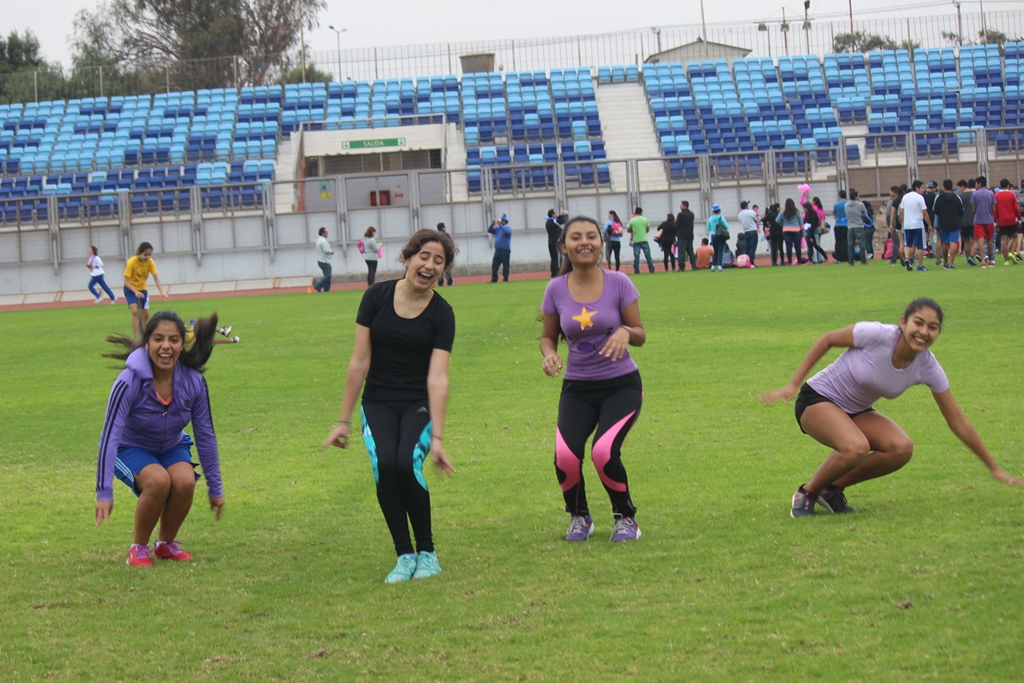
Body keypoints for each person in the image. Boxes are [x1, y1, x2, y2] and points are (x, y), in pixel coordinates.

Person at [761, 298, 1023, 518]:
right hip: (817, 398)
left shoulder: (928, 366)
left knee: (901, 448)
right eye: (918, 323)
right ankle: (807, 493)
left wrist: (994, 467)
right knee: (857, 447)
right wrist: (792, 384)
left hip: (856, 410)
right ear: (903, 322)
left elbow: (958, 422)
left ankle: (831, 490)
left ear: (938, 333)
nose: (924, 331)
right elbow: (828, 340)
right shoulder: (878, 335)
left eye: (932, 327)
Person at [322, 229, 457, 584]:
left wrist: (438, 439)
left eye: (439, 261)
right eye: (424, 257)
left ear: (443, 270)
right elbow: (359, 361)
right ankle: (404, 554)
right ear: (407, 258)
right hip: (378, 402)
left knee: (405, 463)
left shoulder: (442, 314)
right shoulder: (376, 297)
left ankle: (427, 553)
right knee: (385, 465)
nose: (429, 265)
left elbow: (438, 377)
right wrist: (343, 420)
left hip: (419, 404)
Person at [540, 216, 646, 542]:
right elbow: (548, 337)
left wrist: (626, 332)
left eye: (591, 236)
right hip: (577, 388)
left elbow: (640, 334)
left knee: (603, 451)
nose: (584, 242)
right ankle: (579, 516)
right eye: (576, 237)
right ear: (563, 246)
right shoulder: (555, 289)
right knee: (565, 456)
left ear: (601, 243)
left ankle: (626, 518)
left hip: (621, 385)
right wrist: (549, 354)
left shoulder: (619, 282)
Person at [95, 310, 225, 566]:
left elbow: (205, 435)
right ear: (147, 343)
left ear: (181, 345)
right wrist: (104, 492)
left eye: (173, 340)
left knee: (185, 481)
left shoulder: (194, 382)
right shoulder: (128, 382)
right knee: (158, 481)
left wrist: (216, 487)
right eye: (158, 339)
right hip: (129, 447)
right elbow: (110, 435)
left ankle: (165, 544)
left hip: (171, 445)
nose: (166, 346)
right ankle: (138, 548)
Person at [123, 241, 168, 341]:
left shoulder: (150, 262)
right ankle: (136, 338)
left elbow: (156, 278)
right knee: (135, 311)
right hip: (131, 289)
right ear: (139, 253)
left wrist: (162, 291)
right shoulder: (131, 262)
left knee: (146, 314)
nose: (147, 257)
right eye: (145, 255)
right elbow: (126, 282)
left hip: (143, 290)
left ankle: (143, 335)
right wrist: (135, 291)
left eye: (149, 255)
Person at [900, 180, 932, 271]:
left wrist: (903, 222)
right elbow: (924, 212)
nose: (923, 189)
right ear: (916, 188)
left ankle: (907, 258)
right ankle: (920, 265)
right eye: (922, 187)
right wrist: (929, 224)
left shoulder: (905, 197)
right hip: (918, 224)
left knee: (908, 244)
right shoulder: (919, 198)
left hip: (907, 225)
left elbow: (902, 211)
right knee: (919, 245)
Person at [933, 180, 965, 270]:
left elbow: (936, 211)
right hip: (954, 223)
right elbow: (961, 211)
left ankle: (945, 262)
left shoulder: (939, 198)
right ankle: (952, 263)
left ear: (943, 187)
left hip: (943, 223)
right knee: (953, 242)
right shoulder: (956, 197)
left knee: (945, 243)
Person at [995, 178, 1022, 265]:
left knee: (1004, 239)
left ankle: (1006, 260)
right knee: (1015, 237)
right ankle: (1012, 252)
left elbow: (995, 210)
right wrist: (1019, 218)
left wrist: (995, 221)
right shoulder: (1011, 194)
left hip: (1002, 220)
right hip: (1011, 219)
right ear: (1008, 185)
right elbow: (1016, 208)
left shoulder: (996, 195)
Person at [970, 176, 996, 268]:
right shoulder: (991, 193)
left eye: (976, 183)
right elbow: (994, 208)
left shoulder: (975, 194)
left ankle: (983, 261)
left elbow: (973, 209)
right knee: (989, 239)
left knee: (980, 240)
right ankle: (991, 259)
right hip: (989, 219)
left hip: (978, 220)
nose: (975, 185)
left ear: (980, 183)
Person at [627, 207, 655, 274]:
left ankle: (637, 270)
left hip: (636, 240)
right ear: (641, 212)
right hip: (644, 239)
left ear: (635, 212)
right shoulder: (645, 219)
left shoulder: (632, 220)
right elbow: (648, 229)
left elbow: (628, 229)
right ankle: (651, 269)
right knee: (648, 255)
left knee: (636, 256)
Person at [843, 190, 868, 266]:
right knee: (861, 244)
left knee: (850, 244)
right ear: (856, 197)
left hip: (850, 226)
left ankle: (851, 261)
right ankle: (863, 261)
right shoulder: (860, 204)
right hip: (859, 225)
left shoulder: (846, 205)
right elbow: (865, 213)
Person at [956, 180, 977, 266]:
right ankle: (972, 257)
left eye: (959, 187)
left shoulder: (959, 196)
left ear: (963, 186)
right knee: (975, 240)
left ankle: (969, 260)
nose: (959, 189)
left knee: (966, 241)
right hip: (974, 220)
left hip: (963, 221)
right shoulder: (974, 194)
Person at [779, 199, 805, 265]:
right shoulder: (797, 212)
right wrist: (802, 230)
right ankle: (799, 261)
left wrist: (783, 224)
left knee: (788, 246)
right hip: (796, 230)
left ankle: (790, 261)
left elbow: (777, 220)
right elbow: (801, 222)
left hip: (786, 230)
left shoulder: (783, 212)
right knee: (797, 246)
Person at [488, 214, 512, 282]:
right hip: (498, 249)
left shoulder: (508, 228)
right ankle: (494, 278)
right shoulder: (498, 228)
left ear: (505, 222)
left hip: (505, 250)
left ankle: (505, 278)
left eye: (502, 221)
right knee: (495, 264)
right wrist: (492, 224)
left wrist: (500, 225)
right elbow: (489, 230)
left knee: (505, 265)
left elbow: (506, 232)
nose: (501, 222)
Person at [707, 203, 730, 272]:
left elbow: (708, 228)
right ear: (719, 210)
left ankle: (713, 266)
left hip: (713, 235)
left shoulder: (710, 219)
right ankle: (720, 266)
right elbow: (727, 226)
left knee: (715, 251)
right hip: (720, 235)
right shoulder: (721, 218)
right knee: (720, 251)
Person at [675, 201, 696, 271]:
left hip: (682, 235)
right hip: (690, 235)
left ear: (684, 206)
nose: (680, 206)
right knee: (691, 251)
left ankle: (681, 266)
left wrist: (676, 231)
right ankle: (694, 265)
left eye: (681, 205)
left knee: (681, 252)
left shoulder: (680, 215)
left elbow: (677, 225)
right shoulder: (691, 214)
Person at [888, 185, 906, 265]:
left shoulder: (895, 201)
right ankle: (908, 257)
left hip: (898, 222)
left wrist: (891, 224)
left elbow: (892, 213)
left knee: (899, 241)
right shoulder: (905, 200)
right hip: (907, 222)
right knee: (907, 242)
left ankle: (899, 257)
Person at [546, 209, 567, 277]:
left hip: (551, 243)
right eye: (555, 213)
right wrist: (566, 215)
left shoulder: (548, 222)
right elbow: (563, 220)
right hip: (555, 243)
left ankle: (554, 273)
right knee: (558, 259)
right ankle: (557, 273)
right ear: (553, 215)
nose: (557, 214)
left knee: (554, 259)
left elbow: (559, 218)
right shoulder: (553, 222)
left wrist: (562, 215)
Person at [312, 227, 334, 292]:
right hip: (324, 261)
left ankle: (326, 289)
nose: (327, 233)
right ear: (322, 233)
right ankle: (318, 285)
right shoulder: (323, 241)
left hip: (320, 260)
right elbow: (326, 250)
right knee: (328, 276)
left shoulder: (319, 240)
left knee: (326, 275)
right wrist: (331, 252)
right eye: (326, 232)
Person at [435, 222, 455, 286]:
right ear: (443, 227)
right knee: (448, 269)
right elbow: (450, 244)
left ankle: (440, 282)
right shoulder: (446, 235)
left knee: (440, 268)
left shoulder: (436, 235)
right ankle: (449, 282)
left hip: (438, 254)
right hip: (446, 254)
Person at [832, 190, 849, 263]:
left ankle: (838, 258)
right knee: (849, 242)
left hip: (838, 225)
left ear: (839, 196)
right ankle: (850, 257)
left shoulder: (836, 204)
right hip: (848, 225)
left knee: (838, 242)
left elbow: (834, 213)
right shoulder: (849, 203)